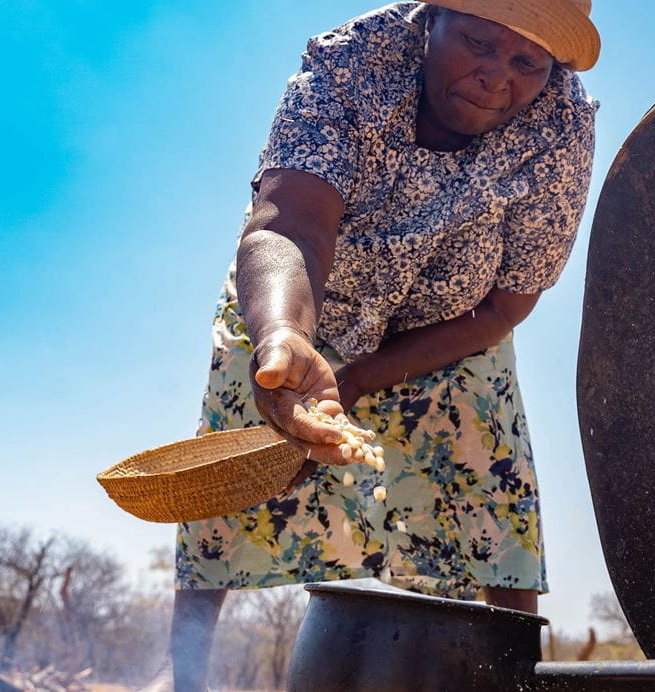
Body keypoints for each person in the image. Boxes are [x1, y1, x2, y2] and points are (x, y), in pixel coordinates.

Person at [158, 1, 599, 689]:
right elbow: (287, 225)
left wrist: (361, 380)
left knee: (492, 491)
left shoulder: (563, 125)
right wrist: (282, 335)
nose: (495, 77)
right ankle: (184, 674)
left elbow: (505, 303)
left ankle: (510, 679)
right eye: (478, 42)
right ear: (433, 20)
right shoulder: (351, 63)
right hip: (302, 301)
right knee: (237, 468)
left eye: (526, 63)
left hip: (451, 325)